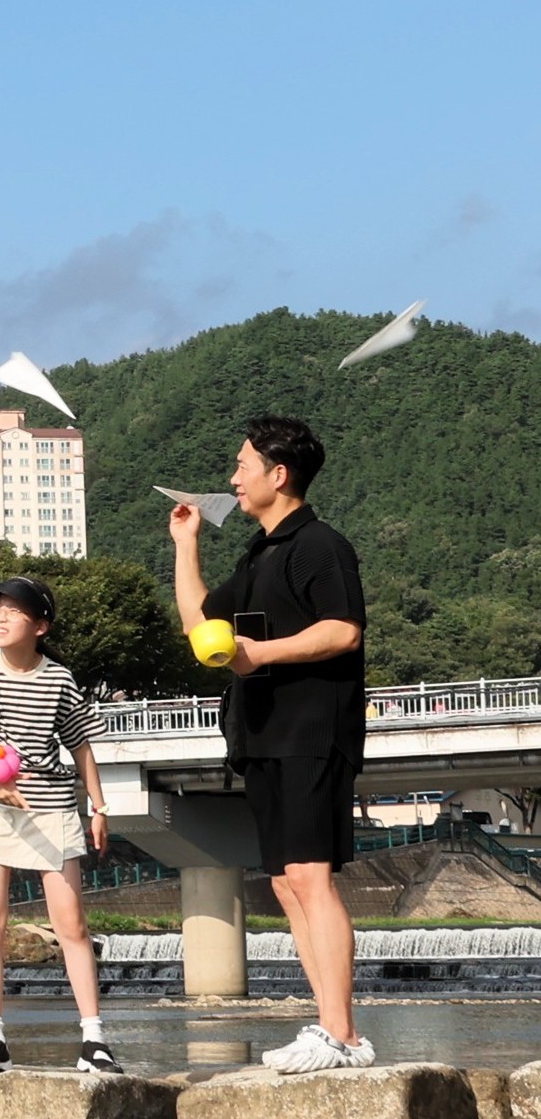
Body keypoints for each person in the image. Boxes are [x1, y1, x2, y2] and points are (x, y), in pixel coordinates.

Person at [174, 413, 373, 1074]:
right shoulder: (258, 552)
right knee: (287, 884)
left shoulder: (321, 546)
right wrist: (186, 545)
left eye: (242, 466)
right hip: (261, 734)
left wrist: (261, 654)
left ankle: (341, 1032)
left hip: (312, 732)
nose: (232, 478)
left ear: (278, 475)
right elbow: (201, 622)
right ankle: (328, 1027)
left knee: (311, 879)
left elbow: (343, 631)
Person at [0, 576, 115, 1076]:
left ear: (40, 626)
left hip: (52, 804)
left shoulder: (59, 678)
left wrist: (98, 807)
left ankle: (94, 1039)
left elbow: (80, 744)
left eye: (13, 611)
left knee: (72, 924)